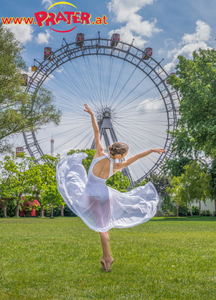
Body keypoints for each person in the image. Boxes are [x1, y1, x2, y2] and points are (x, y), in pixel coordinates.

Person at [56, 104, 166, 272]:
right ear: (120, 155)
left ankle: (107, 258)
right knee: (105, 226)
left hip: (91, 193)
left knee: (102, 227)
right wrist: (151, 150)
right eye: (125, 154)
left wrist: (92, 115)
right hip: (105, 194)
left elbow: (97, 132)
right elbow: (135, 158)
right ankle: (107, 258)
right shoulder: (116, 166)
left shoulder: (99, 153)